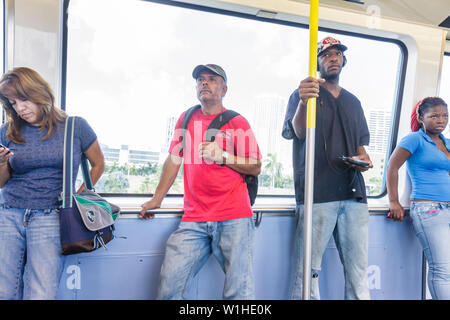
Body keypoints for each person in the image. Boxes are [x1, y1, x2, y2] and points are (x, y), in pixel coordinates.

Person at [139, 64, 261, 300]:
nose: (204, 83)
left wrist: (222, 156)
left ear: (224, 89)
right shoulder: (185, 119)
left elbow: (255, 165)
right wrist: (157, 199)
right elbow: (174, 160)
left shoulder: (237, 122)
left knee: (239, 293)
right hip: (194, 218)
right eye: (200, 80)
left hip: (233, 216)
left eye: (212, 80)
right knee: (169, 287)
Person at [0, 67, 104, 300]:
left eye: (24, 99)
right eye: (13, 103)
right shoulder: (7, 131)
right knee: (4, 291)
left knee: (41, 293)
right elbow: (1, 183)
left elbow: (98, 165)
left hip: (50, 217)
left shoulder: (76, 127)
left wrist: (75, 202)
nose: (20, 108)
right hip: (8, 215)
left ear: (40, 93)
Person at [282, 37, 373, 300]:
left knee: (358, 270)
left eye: (337, 54)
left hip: (353, 192)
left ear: (344, 60)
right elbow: (297, 132)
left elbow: (361, 147)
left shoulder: (353, 102)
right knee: (307, 272)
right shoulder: (302, 95)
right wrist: (303, 101)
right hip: (317, 193)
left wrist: (363, 161)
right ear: (317, 63)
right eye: (326, 55)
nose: (333, 58)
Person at [387, 97, 449, 299]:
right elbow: (392, 167)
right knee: (442, 269)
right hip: (429, 209)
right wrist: (394, 201)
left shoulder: (447, 143)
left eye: (445, 116)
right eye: (435, 116)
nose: (441, 120)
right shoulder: (414, 139)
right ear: (421, 118)